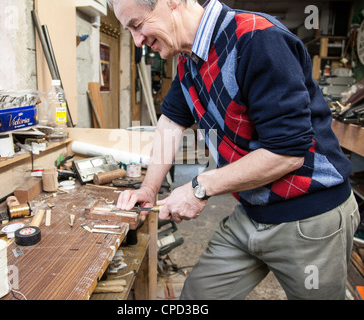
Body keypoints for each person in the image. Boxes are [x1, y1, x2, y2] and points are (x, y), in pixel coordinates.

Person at [109, 0, 361, 299]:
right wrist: (148, 189)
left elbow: (287, 152)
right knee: (198, 297)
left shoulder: (258, 39)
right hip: (252, 211)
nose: (138, 40)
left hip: (310, 218)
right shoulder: (187, 56)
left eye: (138, 25)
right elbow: (171, 122)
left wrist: (199, 188)